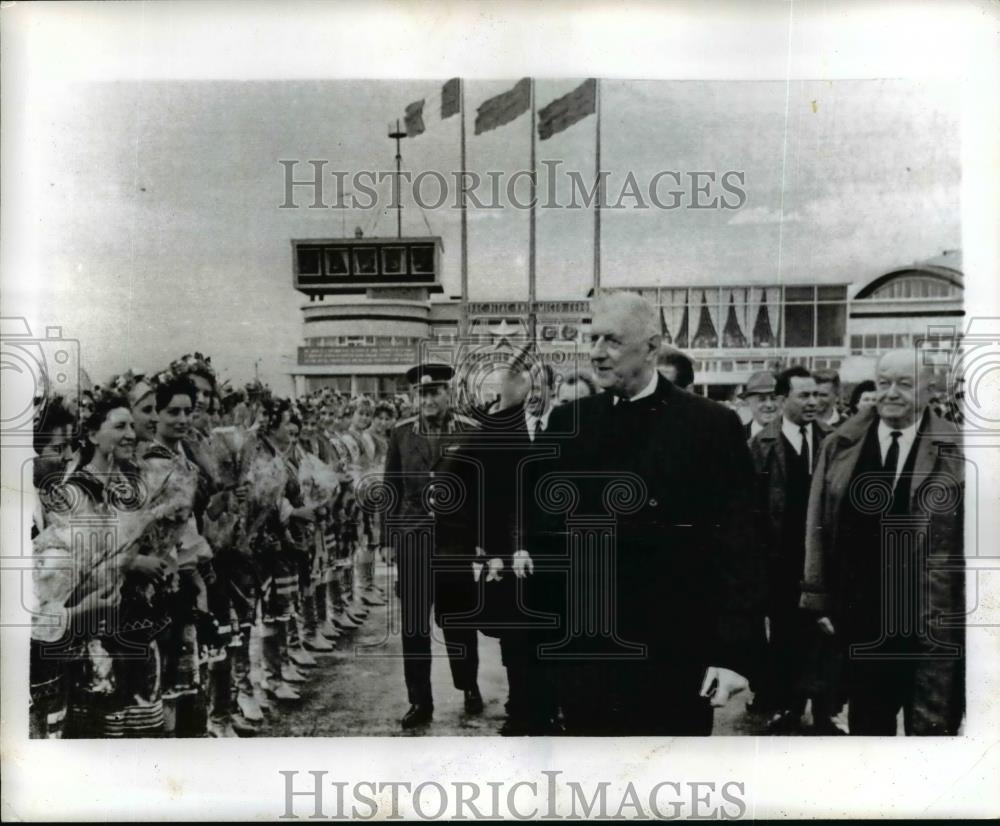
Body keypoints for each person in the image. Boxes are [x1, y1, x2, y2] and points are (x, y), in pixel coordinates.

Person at [520, 291, 765, 735]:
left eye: (611, 341)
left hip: (675, 655)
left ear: (651, 348)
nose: (596, 353)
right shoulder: (570, 423)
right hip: (588, 658)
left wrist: (733, 654)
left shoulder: (710, 425)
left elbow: (741, 544)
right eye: (593, 340)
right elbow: (542, 533)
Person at [801, 350, 964, 735]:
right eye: (884, 383)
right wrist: (818, 594)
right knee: (868, 728)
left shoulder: (957, 450)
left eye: (905, 385)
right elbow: (817, 524)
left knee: (932, 727)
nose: (891, 393)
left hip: (930, 617)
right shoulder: (842, 444)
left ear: (931, 389)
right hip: (862, 617)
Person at [383, 362, 483, 730]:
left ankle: (468, 684)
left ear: (448, 393)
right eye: (421, 393)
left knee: (458, 620)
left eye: (434, 392)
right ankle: (419, 700)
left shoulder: (472, 433)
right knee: (414, 626)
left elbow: (481, 492)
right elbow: (390, 488)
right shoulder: (401, 433)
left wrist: (482, 542)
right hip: (414, 542)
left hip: (455, 543)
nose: (427, 399)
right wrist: (388, 541)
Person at [748, 366, 837, 733]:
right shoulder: (760, 446)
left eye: (817, 394)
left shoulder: (834, 440)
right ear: (783, 399)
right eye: (804, 395)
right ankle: (786, 706)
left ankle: (823, 711)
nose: (813, 402)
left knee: (823, 635)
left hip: (821, 557)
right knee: (784, 633)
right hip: (779, 559)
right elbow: (749, 508)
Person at [740, 370, 780, 440]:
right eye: (762, 399)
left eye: (774, 398)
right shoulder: (736, 436)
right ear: (748, 401)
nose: (769, 405)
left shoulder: (793, 436)